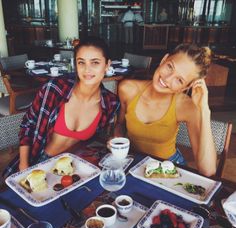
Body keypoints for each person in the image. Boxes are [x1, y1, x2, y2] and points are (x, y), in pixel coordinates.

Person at [2, 36, 120, 178]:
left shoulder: (110, 102)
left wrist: (113, 138)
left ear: (107, 65)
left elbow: (108, 133)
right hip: (38, 161)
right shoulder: (55, 88)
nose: (87, 69)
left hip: (75, 167)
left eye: (95, 62)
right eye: (81, 62)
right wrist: (24, 165)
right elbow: (28, 125)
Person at [114, 44, 217, 177]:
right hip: (134, 163)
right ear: (164, 60)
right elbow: (120, 124)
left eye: (179, 80)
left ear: (185, 87)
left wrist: (204, 110)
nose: (167, 79)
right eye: (170, 66)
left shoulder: (186, 107)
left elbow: (208, 170)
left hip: (169, 168)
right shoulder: (127, 89)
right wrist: (118, 141)